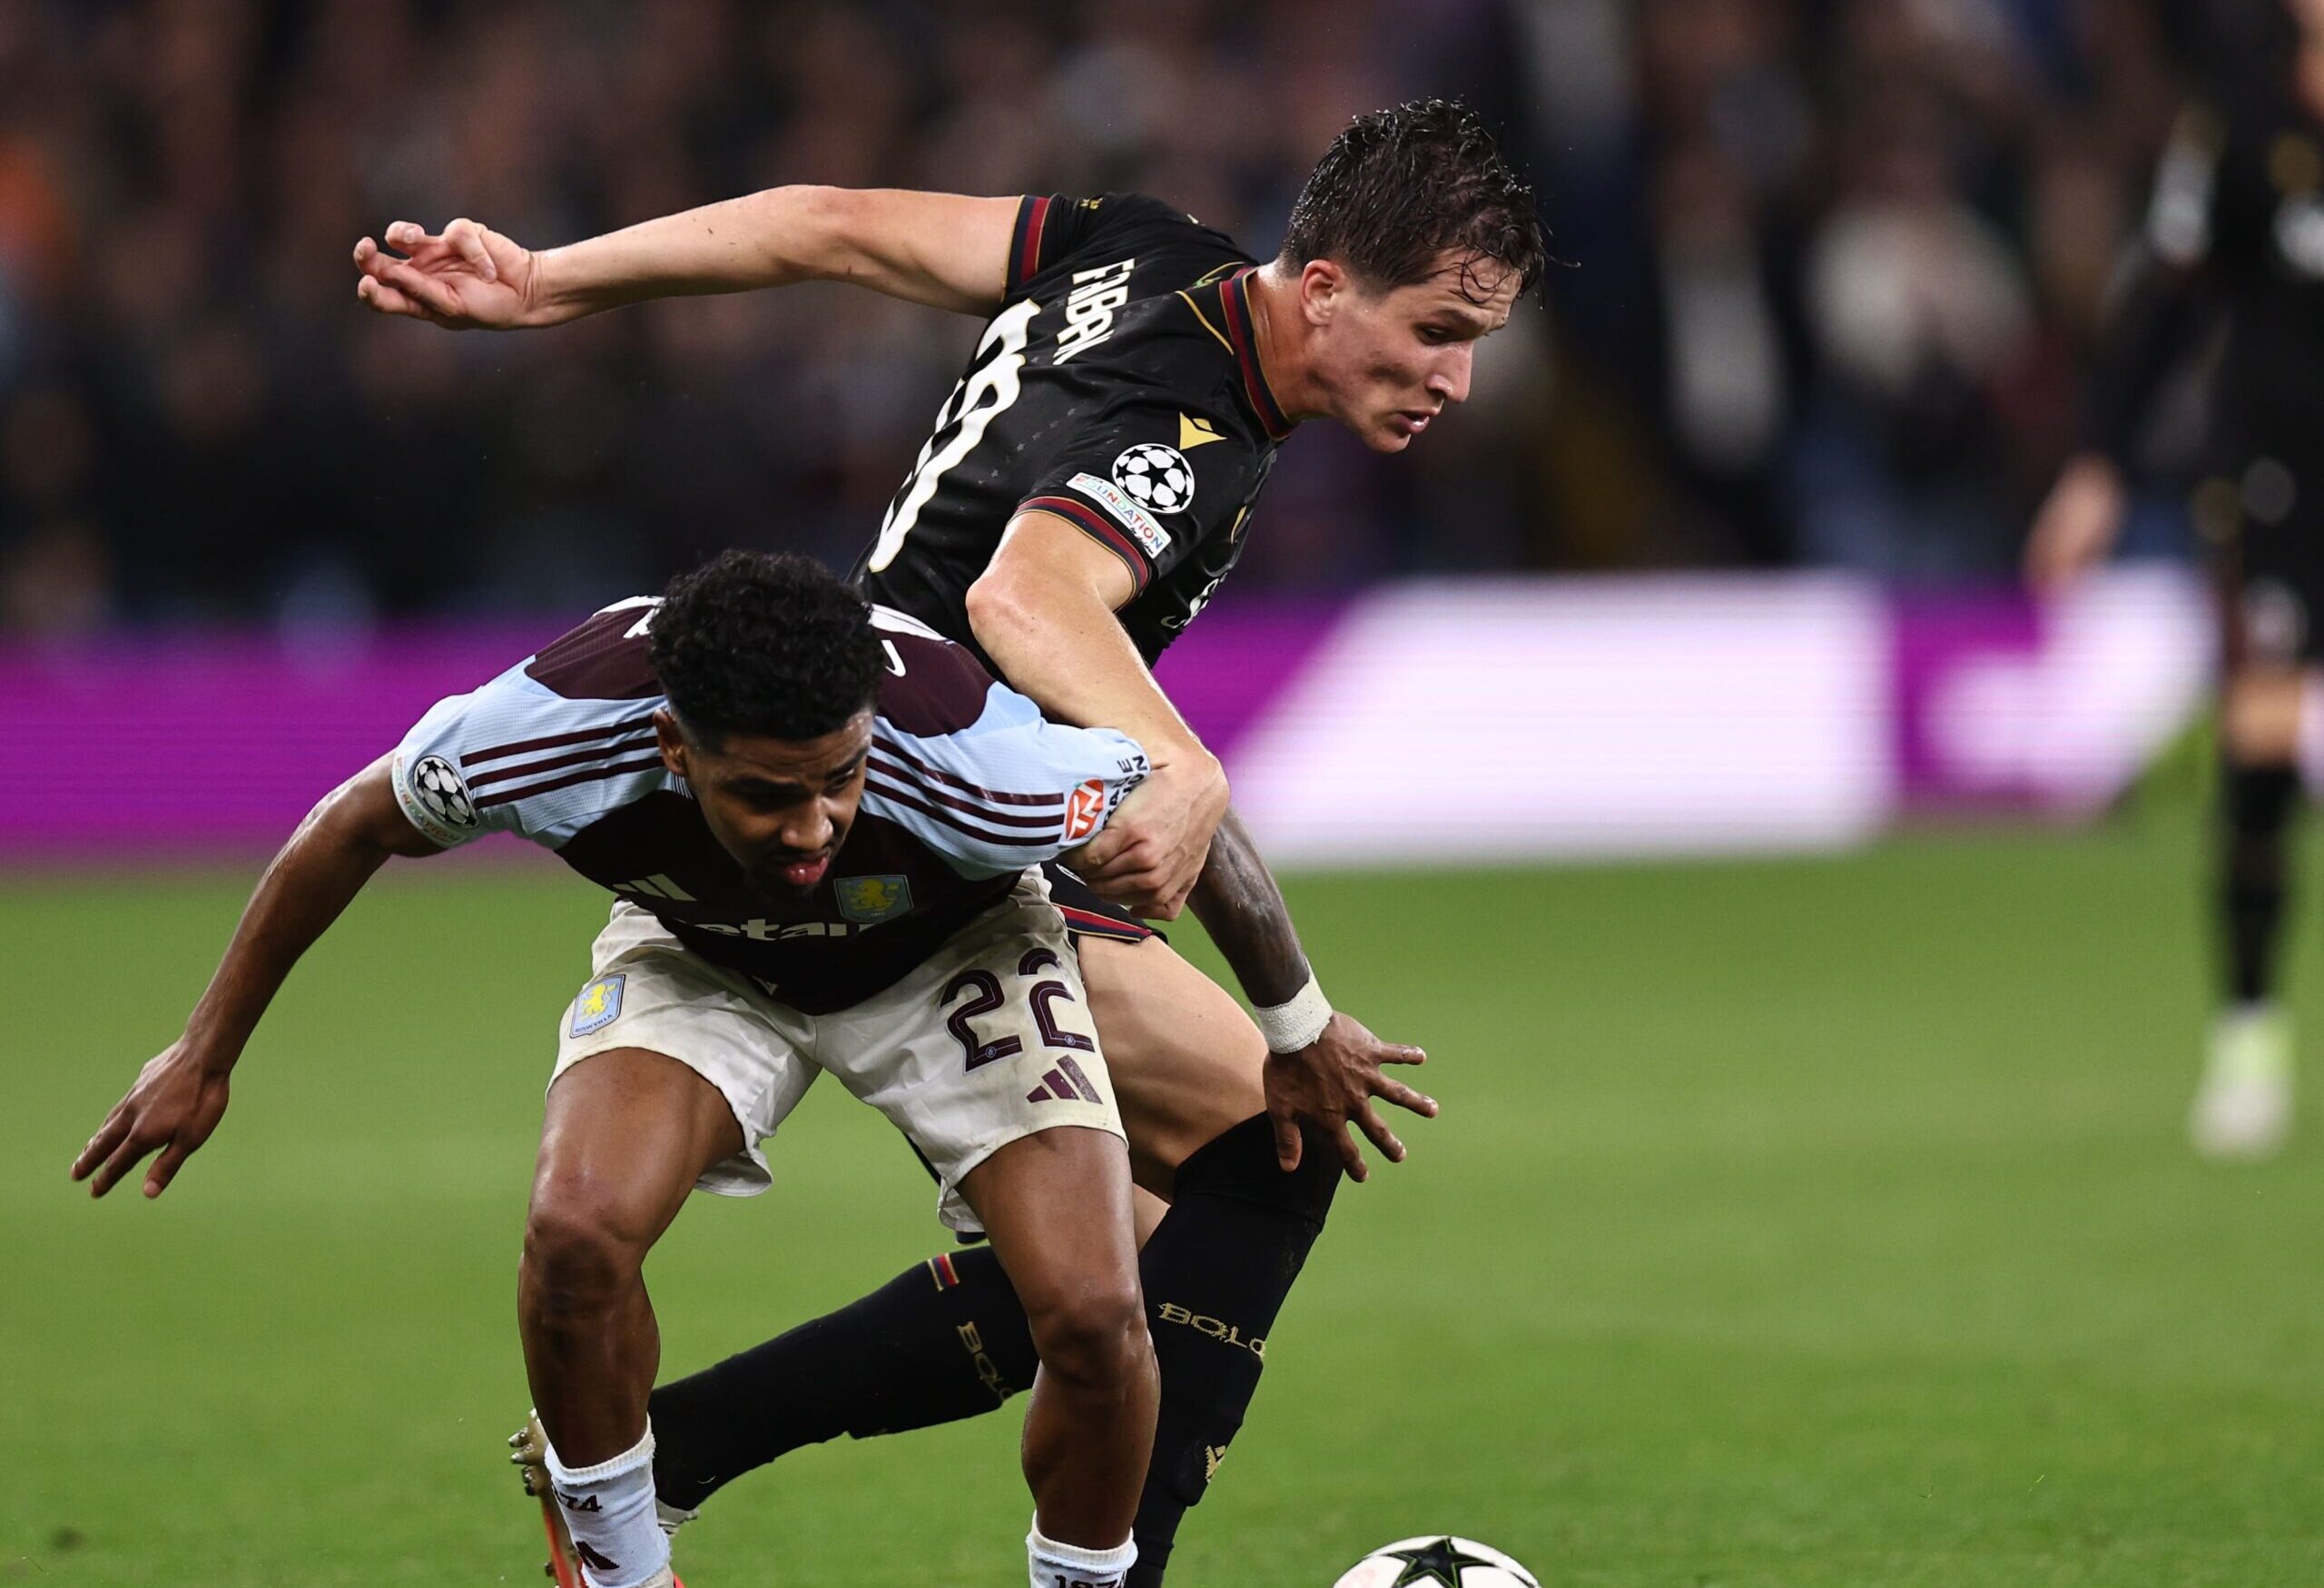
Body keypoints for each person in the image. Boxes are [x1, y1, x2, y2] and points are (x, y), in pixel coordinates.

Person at [352, 97, 1545, 1582]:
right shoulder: (1192, 435)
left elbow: (837, 220)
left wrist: (551, 280)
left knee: (1087, 1267)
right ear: (1321, 290)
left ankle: (673, 1441)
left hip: (905, 766)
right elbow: (1024, 605)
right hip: (947, 815)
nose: (1458, 376)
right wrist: (1186, 770)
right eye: (1437, 328)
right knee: (1267, 1140)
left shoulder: (1142, 248)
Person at [71, 550, 1167, 1588]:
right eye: (764, 794)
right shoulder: (541, 727)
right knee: (574, 1231)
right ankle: (621, 1567)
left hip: (950, 950)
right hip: (704, 950)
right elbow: (351, 825)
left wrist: (1294, 1017)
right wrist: (205, 1052)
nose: (811, 827)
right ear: (672, 747)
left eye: (837, 779)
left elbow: (1180, 801)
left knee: (1094, 1311)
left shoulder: (978, 759)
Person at [2025, 0, 2324, 1159]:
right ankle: (2247, 1033)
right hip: (2276, 482)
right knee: (2260, 746)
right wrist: (2096, 468)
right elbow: (2165, 296)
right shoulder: (2242, 121)